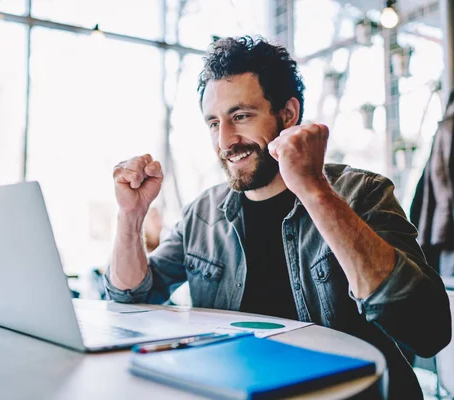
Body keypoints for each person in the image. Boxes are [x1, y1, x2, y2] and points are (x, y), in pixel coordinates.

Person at [104, 36, 451, 398]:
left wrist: (314, 189)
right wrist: (131, 215)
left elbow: (428, 330)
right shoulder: (203, 216)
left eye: (240, 116)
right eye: (213, 123)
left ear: (288, 114)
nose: (225, 141)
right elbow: (130, 301)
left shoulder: (361, 193)